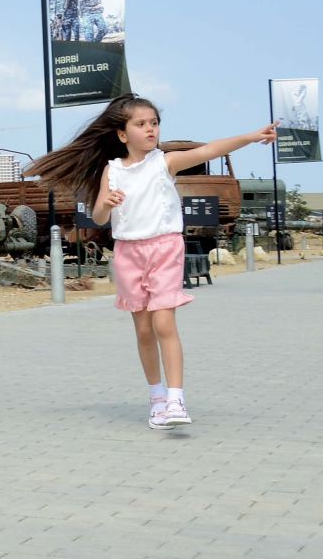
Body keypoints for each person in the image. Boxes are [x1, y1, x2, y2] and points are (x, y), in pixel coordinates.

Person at [27, 94, 276, 430]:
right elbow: (99, 215)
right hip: (129, 252)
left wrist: (251, 136)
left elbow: (209, 150)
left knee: (163, 323)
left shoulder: (165, 162)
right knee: (144, 330)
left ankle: (176, 399)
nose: (150, 130)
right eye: (141, 124)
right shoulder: (112, 170)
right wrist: (108, 201)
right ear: (122, 134)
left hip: (165, 248)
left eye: (154, 123)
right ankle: (157, 399)